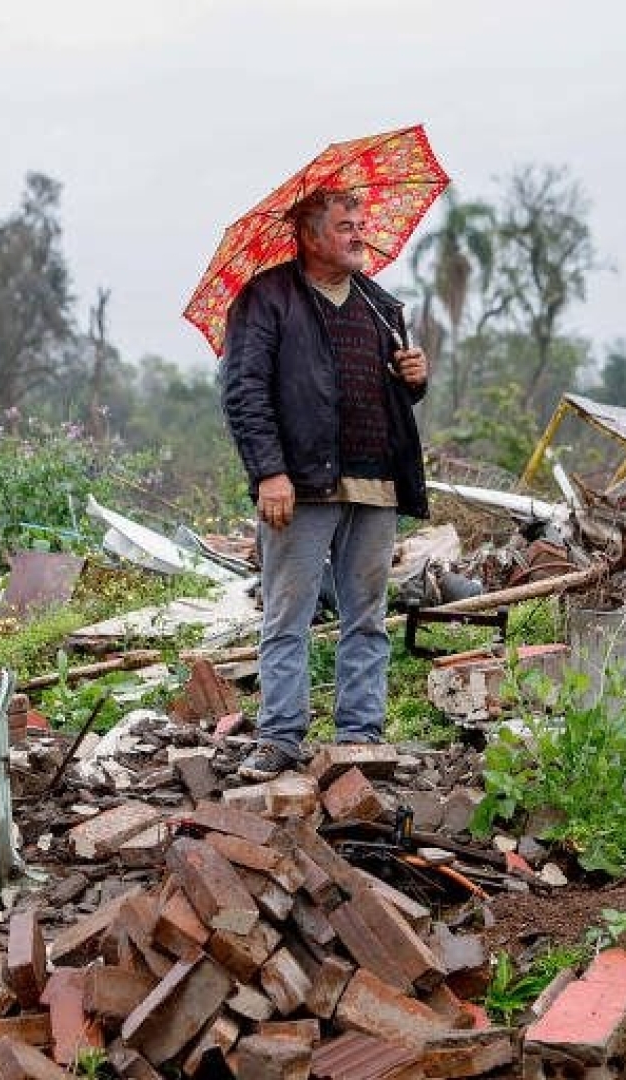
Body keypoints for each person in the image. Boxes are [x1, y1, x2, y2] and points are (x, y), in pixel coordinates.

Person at [221, 188, 429, 781]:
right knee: (288, 613)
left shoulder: (380, 306)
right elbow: (245, 392)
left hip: (376, 484)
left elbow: (389, 395)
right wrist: (269, 472)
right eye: (345, 225)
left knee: (366, 616)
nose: (359, 234)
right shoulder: (267, 299)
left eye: (362, 223)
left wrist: (413, 380)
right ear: (310, 236)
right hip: (300, 485)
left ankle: (360, 736)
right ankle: (281, 737)